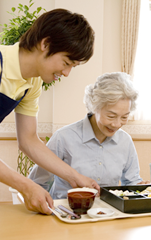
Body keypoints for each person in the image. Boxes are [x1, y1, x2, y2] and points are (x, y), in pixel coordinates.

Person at [0, 8, 98, 214]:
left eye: (73, 66)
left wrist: (75, 177)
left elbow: (29, 140)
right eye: (66, 62)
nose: (66, 73)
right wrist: (26, 186)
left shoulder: (32, 84)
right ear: (45, 44)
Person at [29, 72, 149, 199]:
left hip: (109, 213)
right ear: (94, 106)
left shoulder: (125, 141)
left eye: (124, 117)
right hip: (66, 212)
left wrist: (142, 188)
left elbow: (131, 183)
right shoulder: (63, 138)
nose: (117, 124)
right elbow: (38, 182)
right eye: (111, 116)